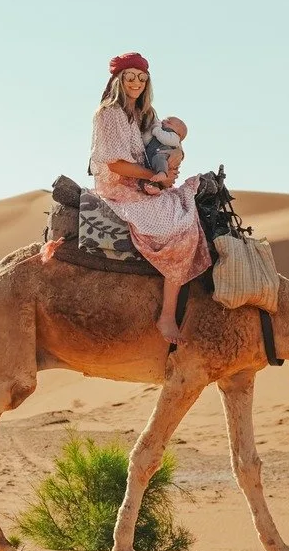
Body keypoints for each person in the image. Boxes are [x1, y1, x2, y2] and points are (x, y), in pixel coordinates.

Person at [86, 52, 210, 344]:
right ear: (118, 79)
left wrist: (176, 157)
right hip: (120, 190)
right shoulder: (109, 113)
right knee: (178, 227)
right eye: (130, 77)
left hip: (140, 186)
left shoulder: (143, 114)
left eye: (142, 78)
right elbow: (114, 164)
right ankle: (167, 315)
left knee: (188, 207)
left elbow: (163, 142)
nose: (136, 83)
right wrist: (153, 177)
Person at [136, 116, 188, 196]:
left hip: (162, 156)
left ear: (178, 134)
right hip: (150, 159)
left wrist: (156, 130)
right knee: (144, 180)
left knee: (159, 159)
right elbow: (146, 140)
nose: (164, 121)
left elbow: (163, 138)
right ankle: (152, 188)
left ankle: (162, 173)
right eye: (165, 119)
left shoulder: (174, 137)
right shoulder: (158, 130)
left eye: (168, 122)